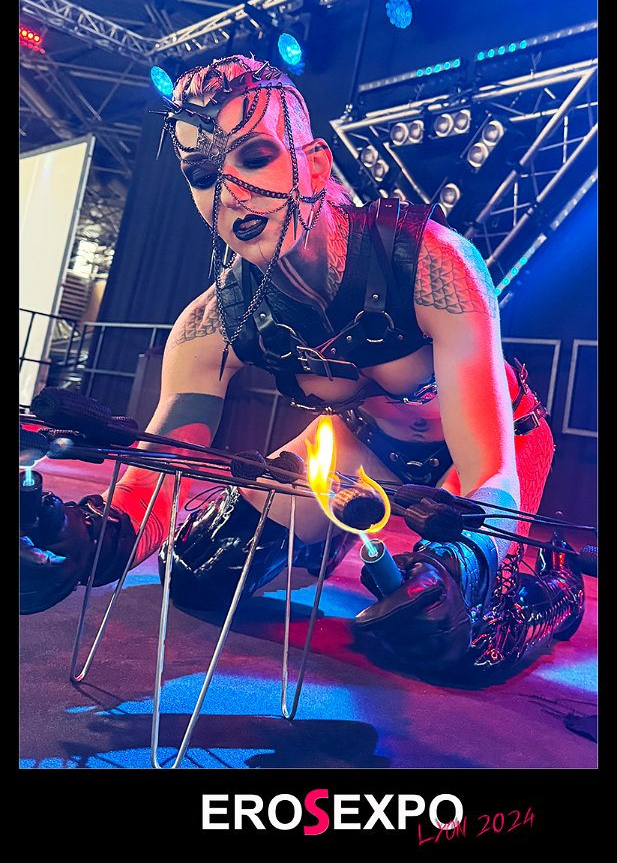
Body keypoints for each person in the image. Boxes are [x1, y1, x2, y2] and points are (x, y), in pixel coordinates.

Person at [20, 54, 584, 675]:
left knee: (448, 636)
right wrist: (85, 537)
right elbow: (159, 467)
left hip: (489, 450)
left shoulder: (433, 265)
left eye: (256, 156)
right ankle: (330, 543)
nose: (232, 192)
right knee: (201, 572)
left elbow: (488, 466)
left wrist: (459, 564)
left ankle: (555, 590)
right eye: (203, 173)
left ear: (314, 163)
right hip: (362, 450)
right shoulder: (212, 323)